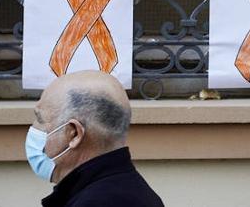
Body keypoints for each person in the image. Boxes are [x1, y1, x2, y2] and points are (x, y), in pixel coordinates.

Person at [25, 70, 165, 207]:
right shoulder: (125, 190)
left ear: (74, 134)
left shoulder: (97, 201)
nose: (34, 127)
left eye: (40, 119)